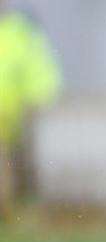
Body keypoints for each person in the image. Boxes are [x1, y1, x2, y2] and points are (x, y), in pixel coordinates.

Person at [0, 0, 61, 221]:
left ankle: (23, 214)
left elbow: (39, 68)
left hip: (17, 114)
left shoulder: (20, 31)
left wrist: (38, 98)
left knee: (22, 166)